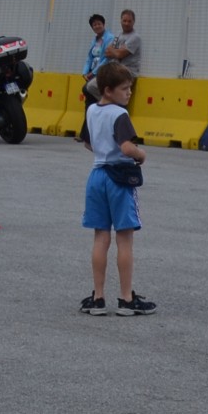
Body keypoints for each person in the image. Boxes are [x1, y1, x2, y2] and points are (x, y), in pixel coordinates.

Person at [81, 63, 154, 316]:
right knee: (124, 239)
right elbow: (126, 147)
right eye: (124, 89)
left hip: (97, 176)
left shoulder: (92, 110)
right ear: (108, 90)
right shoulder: (120, 114)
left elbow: (88, 143)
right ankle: (126, 299)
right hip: (119, 178)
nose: (129, 93)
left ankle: (98, 297)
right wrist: (141, 154)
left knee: (100, 237)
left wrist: (104, 148)